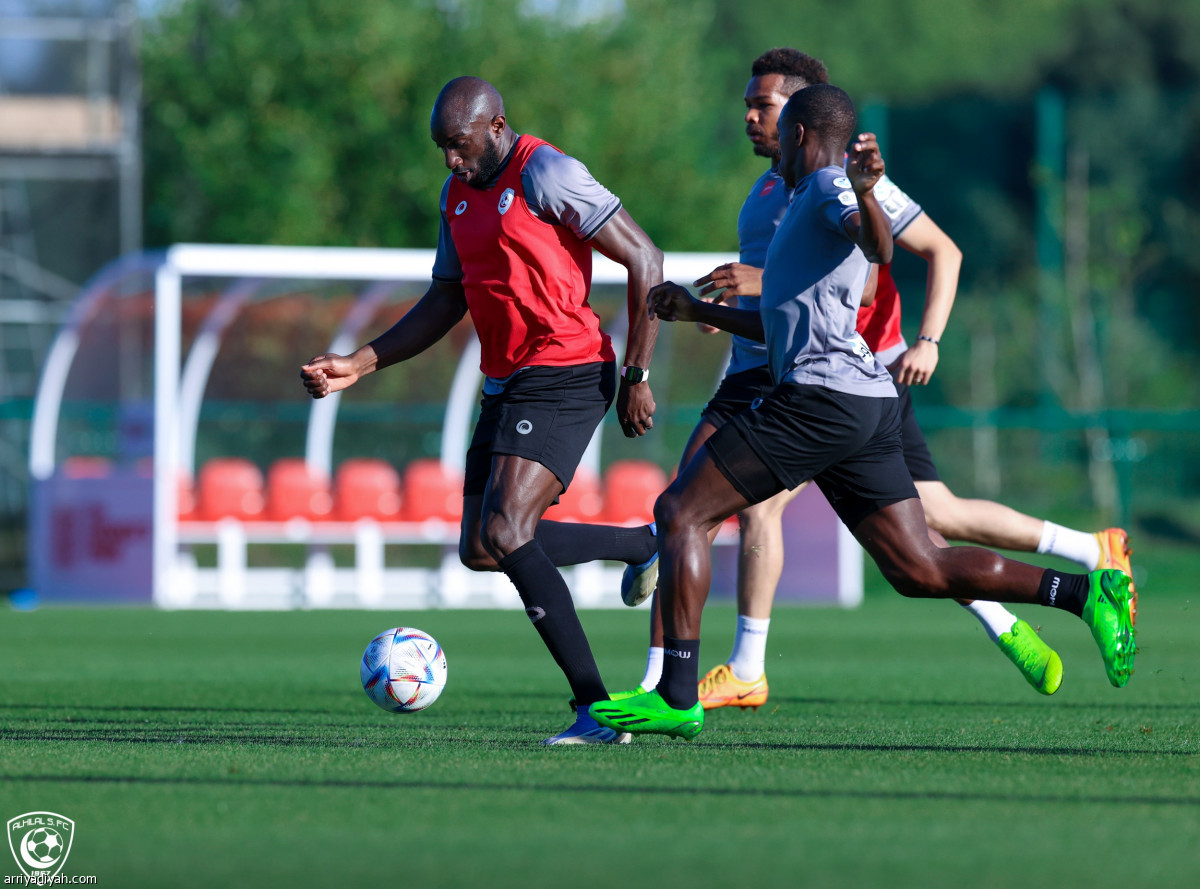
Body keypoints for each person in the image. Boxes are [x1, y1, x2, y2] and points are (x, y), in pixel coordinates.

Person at [590, 84, 1136, 741]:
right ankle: (1083, 594)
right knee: (918, 567)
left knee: (681, 510)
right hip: (864, 401)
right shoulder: (797, 205)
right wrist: (695, 310)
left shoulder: (825, 189)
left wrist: (869, 193)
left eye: (774, 121)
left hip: (820, 400)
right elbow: (778, 321)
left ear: (796, 135)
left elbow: (877, 247)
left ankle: (677, 692)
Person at [301, 76, 664, 745]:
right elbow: (446, 300)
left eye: (458, 145)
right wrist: (359, 362)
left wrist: (639, 371)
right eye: (441, 147)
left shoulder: (547, 172)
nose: (450, 160)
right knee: (481, 545)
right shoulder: (456, 197)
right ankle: (643, 543)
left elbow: (645, 256)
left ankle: (597, 710)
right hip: (506, 382)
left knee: (505, 530)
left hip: (567, 369)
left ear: (496, 126)